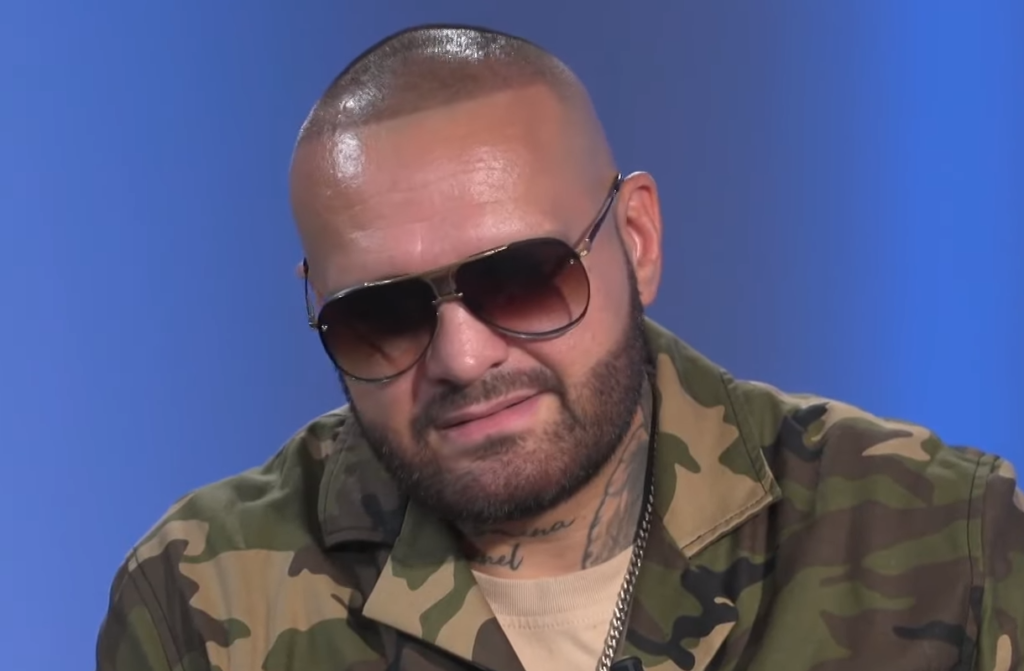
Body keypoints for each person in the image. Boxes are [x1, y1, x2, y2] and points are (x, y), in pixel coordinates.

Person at [95, 23, 1024, 671]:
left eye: (522, 278)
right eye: (383, 313)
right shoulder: (200, 599)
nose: (463, 358)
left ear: (638, 240)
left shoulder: (947, 538)